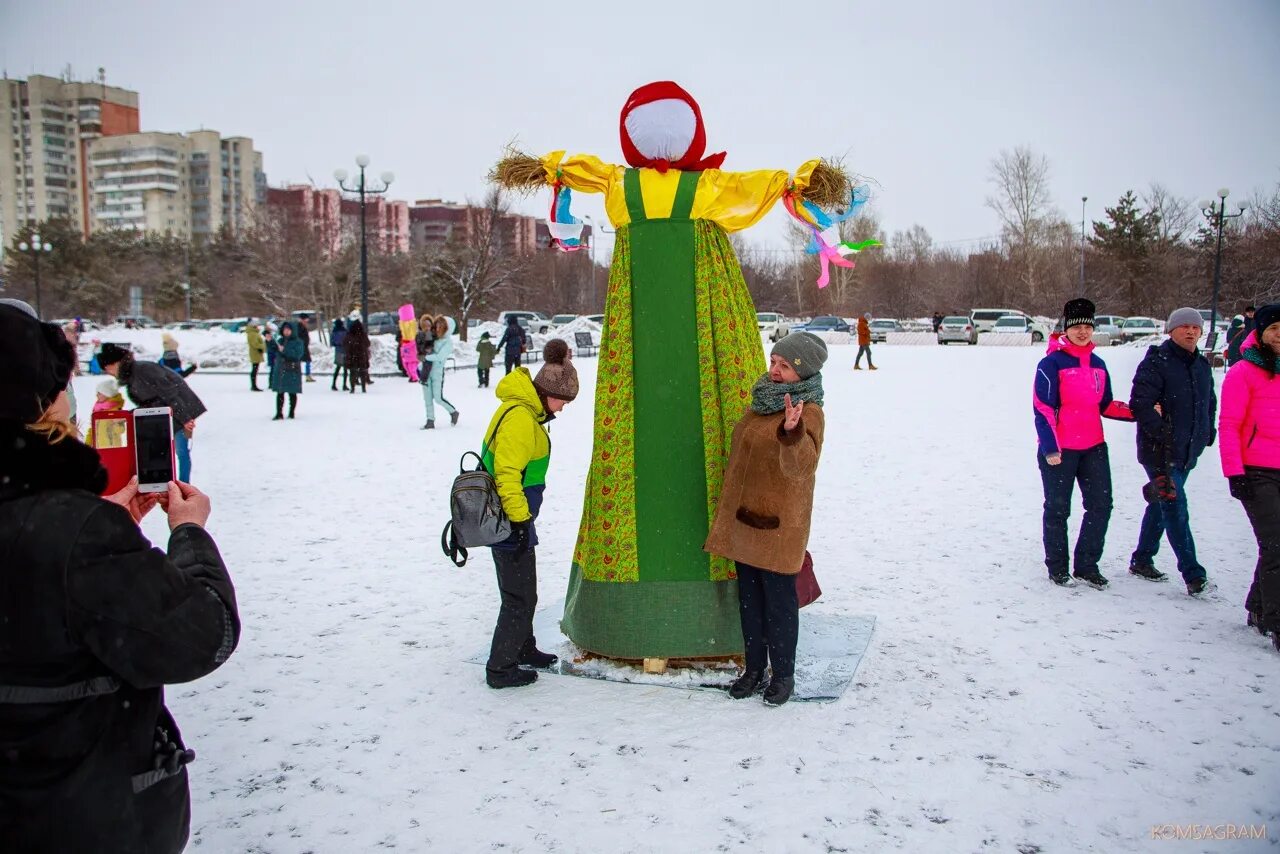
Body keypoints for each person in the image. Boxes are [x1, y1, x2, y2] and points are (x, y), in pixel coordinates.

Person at [0, 299, 240, 853]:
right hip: (72, 814)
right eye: (61, 383)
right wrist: (190, 535)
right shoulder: (70, 530)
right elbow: (200, 636)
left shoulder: (67, 524)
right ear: (37, 401)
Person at [705, 332, 828, 707]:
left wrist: (792, 432)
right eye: (773, 361)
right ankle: (754, 670)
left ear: (801, 372)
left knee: (778, 605)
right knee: (750, 602)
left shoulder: (810, 413)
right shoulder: (761, 402)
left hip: (779, 527)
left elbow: (801, 466)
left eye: (784, 366)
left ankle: (783, 675)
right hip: (745, 521)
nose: (774, 370)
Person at [482, 339, 578, 688]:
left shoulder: (525, 411)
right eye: (563, 401)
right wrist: (520, 522)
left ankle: (524, 648)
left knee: (525, 593)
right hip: (509, 519)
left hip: (514, 518)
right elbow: (507, 475)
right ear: (548, 392)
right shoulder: (521, 419)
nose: (564, 409)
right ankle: (500, 668)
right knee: (518, 597)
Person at [1032, 299, 1136, 589]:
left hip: (1093, 447)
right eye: (1076, 326)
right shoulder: (1051, 363)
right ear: (1067, 329)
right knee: (1058, 509)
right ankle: (1058, 568)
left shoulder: (1098, 365)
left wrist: (1137, 411)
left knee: (1101, 505)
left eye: (1087, 326)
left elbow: (1106, 405)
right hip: (1060, 450)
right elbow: (1042, 408)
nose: (1082, 332)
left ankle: (1087, 565)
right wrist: (1050, 448)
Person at [1129, 307, 1218, 596]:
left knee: (1161, 505)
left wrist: (1207, 431)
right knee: (1176, 508)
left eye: (1195, 327)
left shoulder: (1202, 366)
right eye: (1184, 327)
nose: (1190, 331)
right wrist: (1162, 431)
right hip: (1160, 453)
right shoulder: (1157, 362)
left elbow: (1208, 403)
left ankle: (1142, 558)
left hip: (1188, 450)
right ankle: (1193, 574)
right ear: (1171, 330)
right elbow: (1140, 403)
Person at [1218, 303, 1280, 652]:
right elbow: (1229, 425)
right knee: (1276, 544)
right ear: (1260, 332)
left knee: (1274, 545)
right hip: (1256, 471)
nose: (1279, 337)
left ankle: (1257, 608)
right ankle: (1276, 620)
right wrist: (1234, 472)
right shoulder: (1243, 372)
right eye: (1274, 329)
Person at [97, 342, 206, 484]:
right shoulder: (133, 375)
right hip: (164, 417)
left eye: (107, 368)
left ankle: (184, 485)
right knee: (164, 453)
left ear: (115, 363)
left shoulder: (143, 369)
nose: (108, 372)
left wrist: (185, 419)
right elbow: (148, 402)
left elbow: (170, 393)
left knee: (181, 453)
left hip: (177, 413)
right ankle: (164, 483)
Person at [420, 315, 459, 429]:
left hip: (437, 373)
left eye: (441, 326)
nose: (437, 328)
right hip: (426, 372)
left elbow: (440, 356)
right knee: (427, 398)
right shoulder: (432, 337)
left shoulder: (448, 342)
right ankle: (430, 420)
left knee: (438, 398)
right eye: (437, 325)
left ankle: (453, 412)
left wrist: (426, 357)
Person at [269, 320, 304, 420]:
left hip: (292, 369)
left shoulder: (298, 342)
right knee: (280, 392)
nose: (286, 332)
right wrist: (270, 342)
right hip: (281, 369)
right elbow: (274, 350)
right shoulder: (280, 340)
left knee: (292, 392)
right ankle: (279, 413)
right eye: (285, 330)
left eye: (289, 330)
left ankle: (291, 412)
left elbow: (297, 354)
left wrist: (284, 350)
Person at [85, 376, 127, 449]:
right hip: (98, 448)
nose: (96, 395)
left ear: (108, 394)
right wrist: (87, 445)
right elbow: (92, 429)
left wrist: (116, 423)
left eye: (99, 393)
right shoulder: (97, 409)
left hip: (112, 449)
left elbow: (120, 430)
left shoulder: (115, 410)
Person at [345, 318, 371, 394]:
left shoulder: (349, 335)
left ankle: (352, 388)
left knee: (352, 373)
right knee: (362, 372)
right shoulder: (363, 335)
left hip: (351, 356)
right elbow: (368, 344)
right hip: (361, 356)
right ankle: (363, 388)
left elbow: (345, 344)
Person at [245, 323, 266, 391]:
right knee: (255, 369)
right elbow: (255, 344)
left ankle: (254, 385)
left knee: (255, 369)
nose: (258, 327)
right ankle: (254, 385)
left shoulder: (252, 333)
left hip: (255, 353)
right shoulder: (253, 334)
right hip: (256, 353)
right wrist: (262, 346)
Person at [330, 318, 349, 391]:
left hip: (338, 351)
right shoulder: (345, 331)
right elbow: (348, 340)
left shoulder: (334, 332)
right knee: (345, 369)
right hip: (345, 350)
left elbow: (332, 342)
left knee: (337, 368)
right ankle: (344, 385)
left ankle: (333, 384)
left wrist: (337, 344)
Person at [297, 316, 315, 383]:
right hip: (301, 347)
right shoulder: (299, 327)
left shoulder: (303, 327)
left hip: (305, 347)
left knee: (308, 361)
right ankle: (297, 375)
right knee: (298, 361)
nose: (306, 322)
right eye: (305, 320)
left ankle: (308, 375)